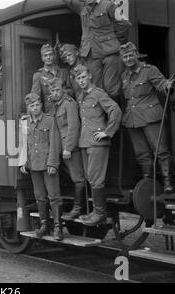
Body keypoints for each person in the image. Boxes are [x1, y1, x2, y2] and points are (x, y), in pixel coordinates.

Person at [119, 42, 175, 193]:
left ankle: (168, 183)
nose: (129, 58)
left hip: (151, 116)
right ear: (122, 59)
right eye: (125, 56)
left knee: (160, 150)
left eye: (131, 55)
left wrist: (167, 86)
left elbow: (161, 82)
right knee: (142, 154)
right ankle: (148, 185)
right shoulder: (124, 75)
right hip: (132, 119)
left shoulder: (149, 70)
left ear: (136, 55)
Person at [74, 64, 122, 226]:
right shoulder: (81, 96)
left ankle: (100, 214)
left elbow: (115, 110)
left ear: (89, 76)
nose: (81, 81)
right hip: (85, 142)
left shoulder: (98, 94)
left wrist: (108, 132)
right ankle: (96, 211)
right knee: (90, 177)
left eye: (82, 77)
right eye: (77, 78)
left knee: (96, 179)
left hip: (97, 143)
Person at [62, 0, 130, 100]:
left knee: (112, 88)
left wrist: (115, 41)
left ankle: (115, 113)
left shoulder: (109, 5)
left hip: (110, 54)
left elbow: (124, 24)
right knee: (95, 88)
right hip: (91, 55)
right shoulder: (82, 7)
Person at [19, 93, 63, 240]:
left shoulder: (50, 121)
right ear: (28, 108)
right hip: (34, 164)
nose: (35, 108)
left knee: (54, 197)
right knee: (40, 197)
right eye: (32, 106)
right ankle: (44, 225)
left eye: (37, 104)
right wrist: (23, 162)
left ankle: (58, 228)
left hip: (48, 164)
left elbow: (55, 143)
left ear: (41, 105)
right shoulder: (25, 123)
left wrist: (53, 163)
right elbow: (24, 144)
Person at [47, 78, 87, 221]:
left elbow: (74, 126)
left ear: (62, 89)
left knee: (78, 178)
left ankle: (78, 208)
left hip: (70, 148)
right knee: (69, 177)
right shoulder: (56, 105)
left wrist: (69, 148)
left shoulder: (69, 104)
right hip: (61, 148)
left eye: (58, 90)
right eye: (53, 91)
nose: (56, 93)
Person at [31, 43, 63, 114]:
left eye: (50, 54)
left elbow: (71, 90)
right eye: (45, 55)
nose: (48, 57)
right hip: (49, 112)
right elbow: (35, 97)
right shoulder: (38, 75)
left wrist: (61, 93)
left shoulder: (62, 72)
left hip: (63, 111)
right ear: (42, 58)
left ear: (54, 56)